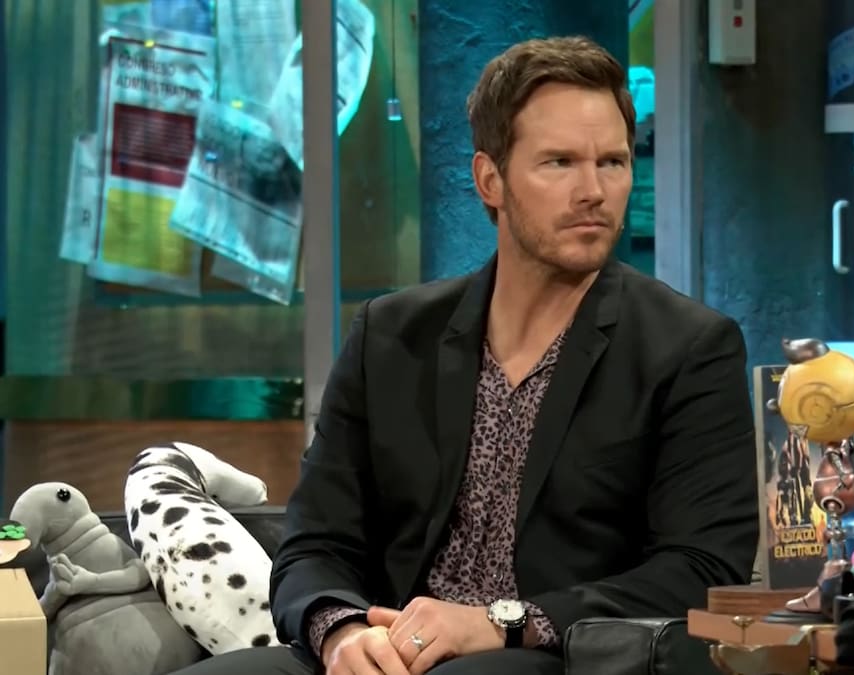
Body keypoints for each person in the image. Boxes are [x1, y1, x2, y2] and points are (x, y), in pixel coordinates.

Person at [172, 35, 758, 675]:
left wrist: (503, 622)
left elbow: (702, 568)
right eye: (559, 162)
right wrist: (340, 633)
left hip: (553, 656)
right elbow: (316, 540)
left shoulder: (689, 347)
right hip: (393, 647)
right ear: (490, 179)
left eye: (613, 162)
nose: (594, 190)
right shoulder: (392, 334)